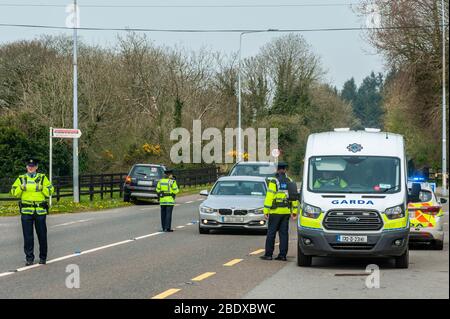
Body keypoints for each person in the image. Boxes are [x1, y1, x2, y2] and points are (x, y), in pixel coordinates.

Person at [10, 158, 54, 266]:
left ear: (36, 167)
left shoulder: (43, 178)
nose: (31, 168)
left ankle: (43, 257)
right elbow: (13, 192)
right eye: (29, 166)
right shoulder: (21, 179)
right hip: (26, 211)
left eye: (33, 166)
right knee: (28, 236)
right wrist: (21, 188)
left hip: (40, 212)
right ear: (26, 167)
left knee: (42, 235)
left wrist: (42, 188)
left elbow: (50, 191)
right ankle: (29, 258)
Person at [260, 162, 299, 261]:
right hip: (286, 212)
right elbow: (293, 197)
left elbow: (270, 196)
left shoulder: (274, 181)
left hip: (275, 212)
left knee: (271, 233)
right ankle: (282, 255)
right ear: (285, 170)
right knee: (284, 234)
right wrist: (294, 211)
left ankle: (268, 254)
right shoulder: (290, 181)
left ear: (277, 170)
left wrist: (266, 210)